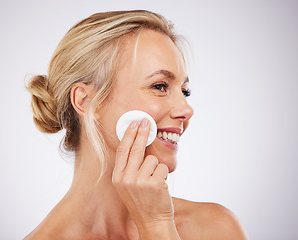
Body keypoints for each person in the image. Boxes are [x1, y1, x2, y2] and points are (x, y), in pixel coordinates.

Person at [24, 10, 248, 240]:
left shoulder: (215, 229)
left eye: (184, 91)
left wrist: (158, 226)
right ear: (87, 102)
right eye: (160, 86)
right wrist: (155, 225)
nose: (186, 110)